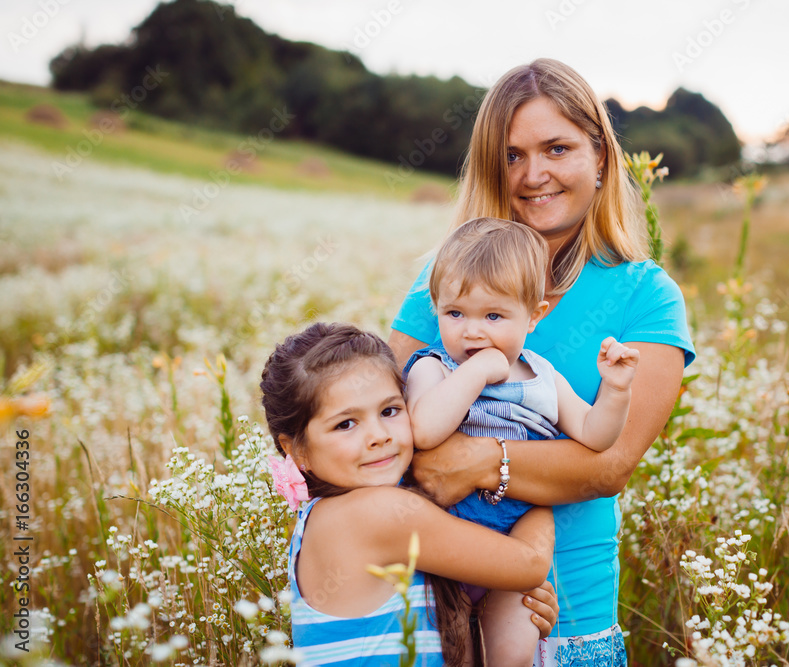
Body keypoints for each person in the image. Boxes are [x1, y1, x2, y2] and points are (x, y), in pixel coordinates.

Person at [389, 58, 696, 666]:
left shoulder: (646, 295)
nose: (534, 175)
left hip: (568, 608)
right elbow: (389, 430)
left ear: (601, 156)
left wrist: (473, 463)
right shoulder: (446, 278)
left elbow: (607, 465)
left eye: (557, 148)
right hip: (433, 599)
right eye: (512, 156)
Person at [403, 217, 640, 666]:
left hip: (515, 545)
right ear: (435, 307)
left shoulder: (544, 379)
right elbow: (425, 431)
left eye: (493, 316)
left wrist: (616, 390)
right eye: (455, 313)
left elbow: (595, 436)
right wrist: (478, 371)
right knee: (449, 654)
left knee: (511, 653)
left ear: (535, 314)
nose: (472, 331)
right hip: (443, 544)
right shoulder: (433, 368)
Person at [260, 322, 560, 666]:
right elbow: (530, 563)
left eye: (389, 411)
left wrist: (498, 612)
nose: (378, 436)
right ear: (296, 450)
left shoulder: (325, 514)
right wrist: (540, 485)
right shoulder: (374, 514)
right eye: (345, 424)